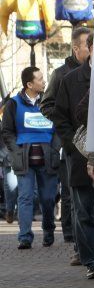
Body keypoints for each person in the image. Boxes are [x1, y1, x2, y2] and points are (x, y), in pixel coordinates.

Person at [48, 31, 94, 278]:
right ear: (89, 48)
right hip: (79, 155)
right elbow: (59, 115)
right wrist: (72, 144)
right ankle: (92, 261)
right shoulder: (69, 79)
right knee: (83, 209)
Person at [41, 25, 90, 247]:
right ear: (75, 48)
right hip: (72, 144)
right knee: (73, 196)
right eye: (87, 46)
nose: (91, 50)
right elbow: (48, 105)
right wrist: (68, 131)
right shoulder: (60, 74)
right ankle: (74, 241)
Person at [1, 66, 59, 250]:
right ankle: (24, 237)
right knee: (25, 197)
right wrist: (15, 151)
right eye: (40, 79)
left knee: (48, 199)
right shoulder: (13, 104)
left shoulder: (50, 103)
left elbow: (58, 128)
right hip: (23, 159)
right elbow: (7, 131)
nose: (44, 82)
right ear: (29, 84)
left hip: (47, 158)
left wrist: (54, 148)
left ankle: (48, 230)